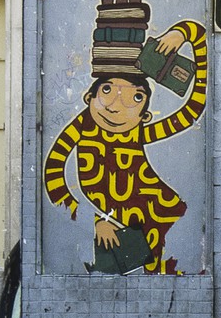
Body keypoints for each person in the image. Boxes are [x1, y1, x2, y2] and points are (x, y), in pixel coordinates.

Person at [44, 20, 208, 274]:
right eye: (107, 90)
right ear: (89, 97)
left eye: (136, 97)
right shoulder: (82, 126)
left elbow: (192, 110)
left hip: (169, 223)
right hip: (134, 233)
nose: (116, 106)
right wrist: (94, 222)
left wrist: (186, 33)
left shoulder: (137, 132)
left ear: (145, 116)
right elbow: (53, 175)